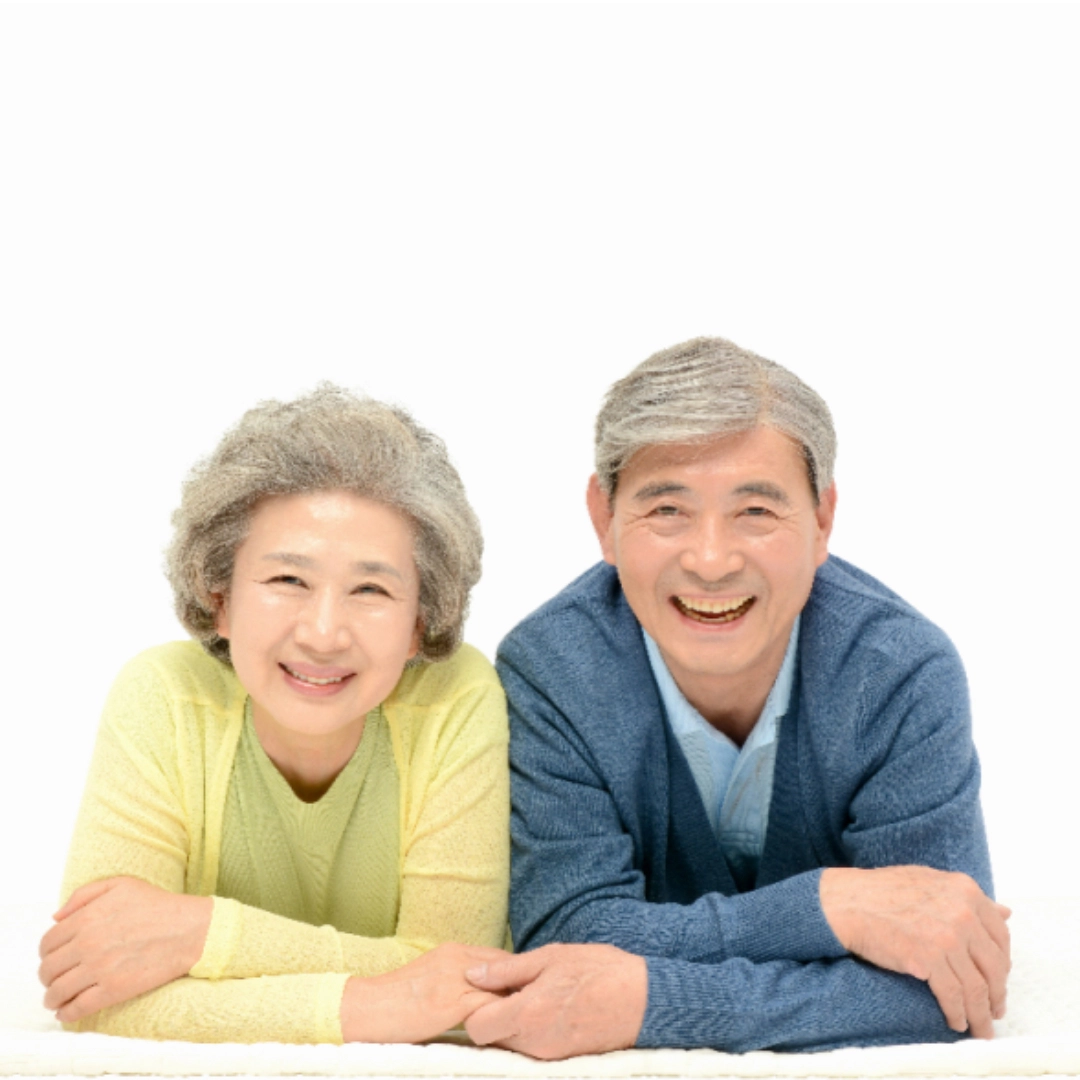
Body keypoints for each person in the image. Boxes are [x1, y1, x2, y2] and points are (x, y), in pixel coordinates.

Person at [462, 337, 1010, 1059]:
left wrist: (653, 1004)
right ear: (604, 519)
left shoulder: (900, 673)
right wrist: (829, 907)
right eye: (667, 509)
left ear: (822, 520)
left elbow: (950, 983)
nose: (711, 560)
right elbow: (567, 937)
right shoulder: (553, 670)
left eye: (755, 510)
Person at [38, 385, 511, 1044]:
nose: (323, 633)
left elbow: (466, 980)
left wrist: (205, 933)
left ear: (418, 625)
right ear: (220, 598)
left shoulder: (454, 699)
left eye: (371, 589)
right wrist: (376, 1005)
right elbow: (92, 996)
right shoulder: (163, 696)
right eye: (288, 580)